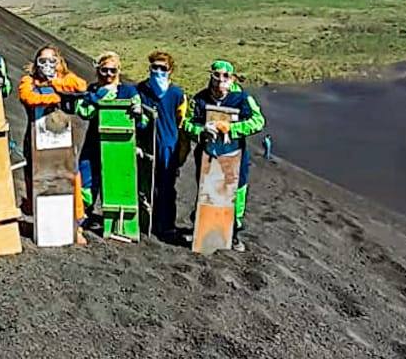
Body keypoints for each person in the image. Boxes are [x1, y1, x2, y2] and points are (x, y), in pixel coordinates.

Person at [184, 59, 266, 252]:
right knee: (207, 194)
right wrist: (200, 130)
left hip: (235, 156)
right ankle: (202, 231)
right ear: (210, 76)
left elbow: (258, 121)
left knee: (235, 197)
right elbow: (187, 123)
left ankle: (233, 235)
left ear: (232, 79)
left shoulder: (243, 99)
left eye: (226, 76)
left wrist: (232, 128)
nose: (221, 80)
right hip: (208, 156)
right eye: (216, 75)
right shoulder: (200, 99)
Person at [74, 52, 141, 227]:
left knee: (115, 181)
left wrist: (138, 112)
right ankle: (82, 215)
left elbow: (143, 122)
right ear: (98, 71)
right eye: (104, 70)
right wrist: (99, 98)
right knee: (86, 179)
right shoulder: (93, 90)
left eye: (113, 70)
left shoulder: (129, 91)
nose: (109, 75)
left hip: (120, 145)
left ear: (119, 70)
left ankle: (115, 221)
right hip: (94, 142)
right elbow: (83, 112)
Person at [16, 45, 87, 210]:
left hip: (61, 136)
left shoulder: (63, 79)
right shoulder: (29, 81)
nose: (47, 65)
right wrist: (54, 98)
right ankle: (36, 214)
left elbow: (81, 86)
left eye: (52, 61)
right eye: (42, 61)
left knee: (71, 175)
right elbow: (28, 97)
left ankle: (76, 220)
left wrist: (55, 80)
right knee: (34, 175)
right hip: (35, 135)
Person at [135, 51, 189, 241]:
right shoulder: (140, 89)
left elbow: (181, 122)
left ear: (170, 70)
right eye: (154, 67)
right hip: (146, 145)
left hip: (168, 146)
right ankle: (144, 222)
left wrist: (181, 153)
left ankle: (166, 225)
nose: (158, 71)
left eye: (162, 68)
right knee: (145, 184)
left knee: (166, 186)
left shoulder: (177, 94)